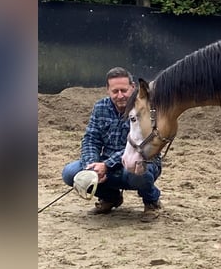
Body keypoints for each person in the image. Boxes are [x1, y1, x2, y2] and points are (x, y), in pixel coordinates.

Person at [61, 67, 162, 220]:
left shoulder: (145, 109)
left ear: (133, 87)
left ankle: (151, 201)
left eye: (124, 90)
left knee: (139, 173)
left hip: (141, 161)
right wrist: (92, 166)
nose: (120, 95)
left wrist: (107, 164)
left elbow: (142, 145)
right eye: (115, 91)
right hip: (105, 164)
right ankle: (110, 198)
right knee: (70, 173)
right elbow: (91, 139)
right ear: (107, 90)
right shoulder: (100, 107)